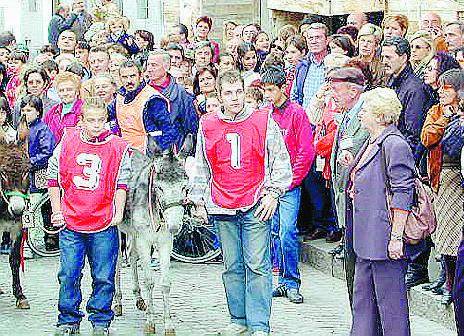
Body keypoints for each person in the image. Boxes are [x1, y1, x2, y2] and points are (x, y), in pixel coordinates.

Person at [188, 70, 292, 336]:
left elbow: (280, 160)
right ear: (219, 96)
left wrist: (273, 193)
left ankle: (259, 325)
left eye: (238, 92)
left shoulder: (262, 120)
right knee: (232, 266)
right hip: (222, 203)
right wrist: (199, 201)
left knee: (257, 265)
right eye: (228, 93)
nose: (234, 98)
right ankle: (238, 319)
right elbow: (202, 165)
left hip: (256, 201)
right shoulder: (207, 124)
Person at [47, 99, 130, 336]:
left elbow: (121, 183)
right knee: (69, 273)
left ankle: (101, 320)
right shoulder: (68, 140)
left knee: (104, 275)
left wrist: (119, 212)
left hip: (102, 220)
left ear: (107, 121)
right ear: (81, 121)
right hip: (72, 219)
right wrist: (56, 210)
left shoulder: (117, 146)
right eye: (91, 120)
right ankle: (68, 319)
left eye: (100, 120)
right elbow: (54, 178)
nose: (96, 125)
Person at [347, 87, 415, 336]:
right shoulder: (372, 141)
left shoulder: (394, 144)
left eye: (364, 110)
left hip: (385, 239)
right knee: (363, 302)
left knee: (391, 308)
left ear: (379, 115)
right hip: (366, 238)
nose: (360, 114)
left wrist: (396, 238)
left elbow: (403, 194)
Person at [260, 65, 314, 304]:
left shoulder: (297, 113)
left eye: (271, 90)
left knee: (287, 233)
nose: (268, 95)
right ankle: (281, 281)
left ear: (283, 88)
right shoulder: (264, 114)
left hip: (289, 185)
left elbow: (305, 151)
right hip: (269, 185)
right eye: (265, 90)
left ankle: (292, 281)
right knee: (273, 233)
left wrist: (291, 181)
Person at [422, 69, 464, 305]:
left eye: (446, 88)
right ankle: (450, 283)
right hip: (444, 177)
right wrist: (445, 118)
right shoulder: (436, 111)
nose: (440, 91)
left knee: (458, 234)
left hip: (461, 177)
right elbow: (427, 138)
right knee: (445, 235)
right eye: (439, 87)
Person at [108, 60, 178, 156]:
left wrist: (161, 155)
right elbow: (105, 114)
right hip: (124, 151)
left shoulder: (152, 99)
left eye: (132, 76)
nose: (129, 81)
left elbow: (168, 130)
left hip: (147, 153)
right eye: (125, 77)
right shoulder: (120, 96)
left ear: (140, 77)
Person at [146, 49, 198, 150]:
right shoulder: (142, 91)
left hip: (174, 151)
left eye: (154, 65)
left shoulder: (180, 92)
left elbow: (190, 126)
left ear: (166, 67)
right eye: (148, 65)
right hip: (149, 150)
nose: (149, 69)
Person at [43, 72, 83, 143]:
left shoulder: (83, 110)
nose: (65, 93)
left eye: (69, 90)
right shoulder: (53, 111)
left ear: (77, 91)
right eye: (61, 90)